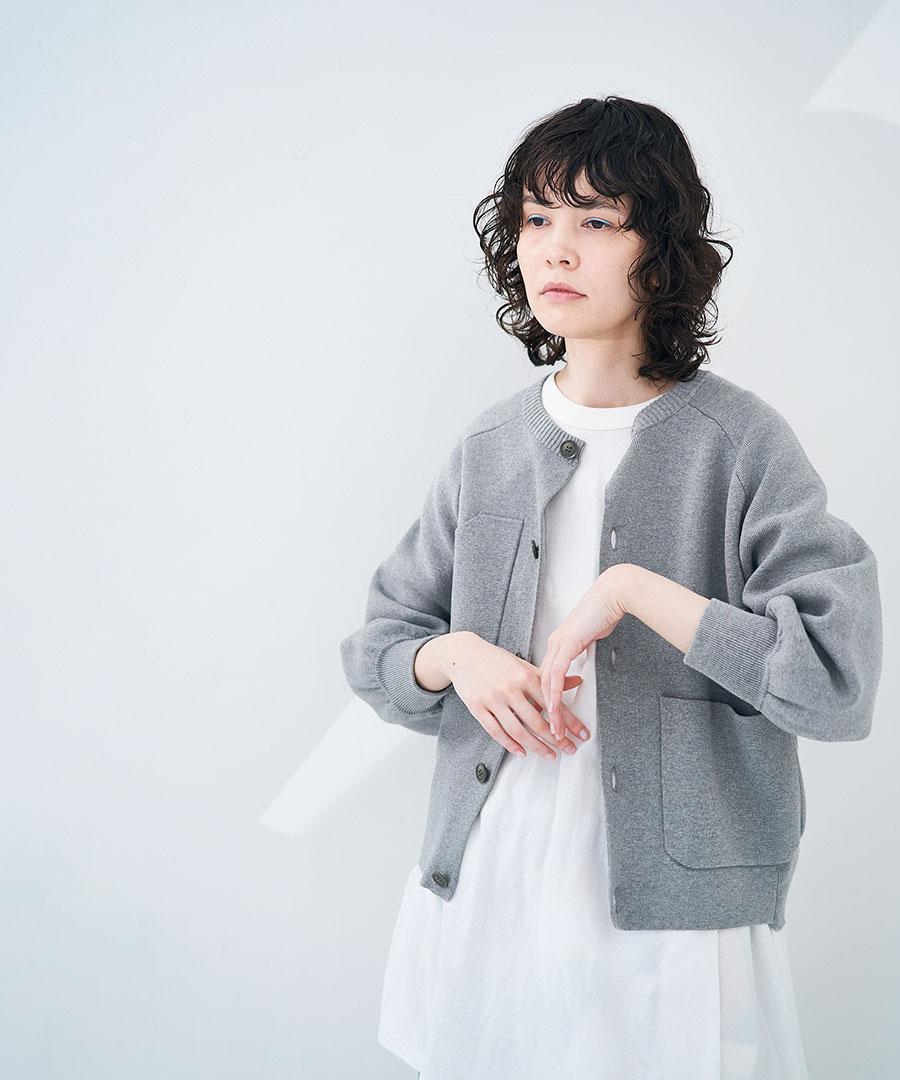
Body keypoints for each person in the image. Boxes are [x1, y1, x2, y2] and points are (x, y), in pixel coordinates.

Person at [341, 96, 882, 1079]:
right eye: (537, 217)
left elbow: (836, 682)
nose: (556, 247)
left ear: (661, 251)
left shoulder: (739, 444)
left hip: (673, 906)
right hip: (493, 872)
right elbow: (380, 646)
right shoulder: (490, 447)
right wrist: (455, 656)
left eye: (596, 220)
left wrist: (635, 590)